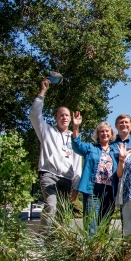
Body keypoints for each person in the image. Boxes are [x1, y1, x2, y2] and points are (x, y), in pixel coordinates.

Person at [30, 78, 81, 225]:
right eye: (61, 115)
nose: (64, 117)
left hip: (66, 179)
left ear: (70, 119)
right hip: (49, 174)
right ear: (56, 118)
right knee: (51, 205)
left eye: (67, 115)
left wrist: (76, 187)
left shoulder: (74, 138)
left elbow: (77, 164)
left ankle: (58, 244)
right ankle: (43, 240)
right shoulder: (47, 131)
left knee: (63, 212)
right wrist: (42, 92)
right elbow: (35, 116)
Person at [71, 112, 118, 232]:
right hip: (92, 189)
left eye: (107, 131)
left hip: (109, 192)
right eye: (101, 131)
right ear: (97, 134)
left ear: (111, 134)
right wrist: (76, 127)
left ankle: (102, 250)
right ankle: (90, 249)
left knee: (104, 224)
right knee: (91, 224)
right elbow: (76, 145)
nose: (104, 133)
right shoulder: (90, 148)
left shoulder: (115, 151)